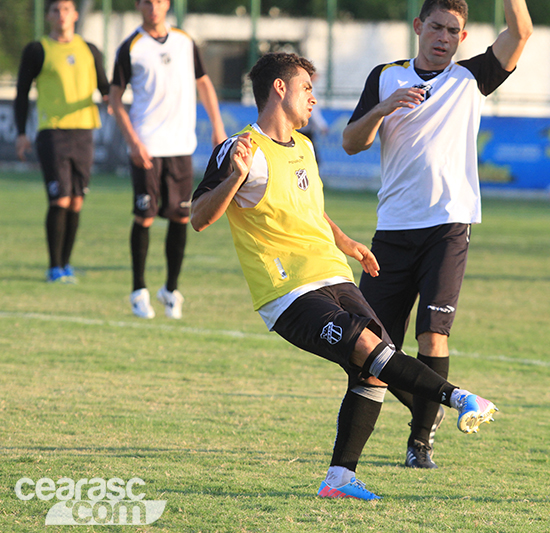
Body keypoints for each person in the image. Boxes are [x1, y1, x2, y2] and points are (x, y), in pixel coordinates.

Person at [191, 52, 497, 500]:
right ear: (280, 88)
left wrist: (346, 241)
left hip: (334, 275)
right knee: (372, 349)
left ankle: (339, 479)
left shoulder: (305, 146)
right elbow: (199, 216)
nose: (313, 99)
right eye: (307, 89)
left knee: (371, 370)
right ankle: (460, 398)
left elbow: (311, 211)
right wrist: (234, 179)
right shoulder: (241, 149)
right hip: (289, 291)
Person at [341, 0, 532, 469]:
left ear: (462, 38)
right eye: (437, 27)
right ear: (418, 26)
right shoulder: (385, 76)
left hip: (448, 227)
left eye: (453, 30)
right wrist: (383, 109)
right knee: (370, 349)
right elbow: (351, 143)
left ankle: (420, 441)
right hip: (392, 230)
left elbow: (521, 30)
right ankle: (435, 397)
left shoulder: (471, 79)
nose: (444, 36)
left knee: (433, 337)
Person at [109, 0, 226, 319]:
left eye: (159, 1)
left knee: (179, 218)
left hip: (180, 146)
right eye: (147, 1)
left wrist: (217, 127)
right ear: (138, 5)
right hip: (146, 145)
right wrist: (133, 141)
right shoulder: (130, 47)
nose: (153, 7)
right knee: (144, 216)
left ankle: (171, 290)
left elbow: (203, 83)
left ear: (168, 4)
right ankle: (138, 291)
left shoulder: (185, 41)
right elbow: (115, 99)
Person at [14, 0, 111, 283]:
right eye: (55, 10)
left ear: (75, 14)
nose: (61, 15)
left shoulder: (90, 50)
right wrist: (22, 133)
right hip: (53, 133)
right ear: (48, 16)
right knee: (60, 198)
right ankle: (54, 266)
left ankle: (66, 264)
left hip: (84, 133)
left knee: (77, 201)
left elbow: (104, 87)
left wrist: (114, 98)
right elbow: (21, 92)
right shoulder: (37, 50)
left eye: (66, 9)